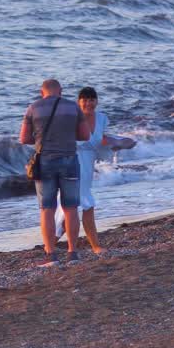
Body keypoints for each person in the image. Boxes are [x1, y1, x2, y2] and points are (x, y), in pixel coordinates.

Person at [53, 87, 136, 254]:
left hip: (87, 166)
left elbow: (102, 140)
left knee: (74, 207)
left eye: (91, 99)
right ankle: (93, 246)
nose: (88, 103)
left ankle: (52, 245)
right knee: (81, 206)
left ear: (96, 101)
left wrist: (118, 143)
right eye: (84, 99)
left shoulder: (101, 118)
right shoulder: (71, 119)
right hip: (71, 166)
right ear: (79, 102)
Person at [20, 78, 90, 266]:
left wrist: (40, 137)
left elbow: (24, 138)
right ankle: (72, 253)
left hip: (45, 162)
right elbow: (85, 135)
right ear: (61, 91)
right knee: (71, 208)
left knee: (47, 209)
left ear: (42, 92)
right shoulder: (73, 107)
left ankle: (51, 255)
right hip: (69, 159)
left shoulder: (33, 108)